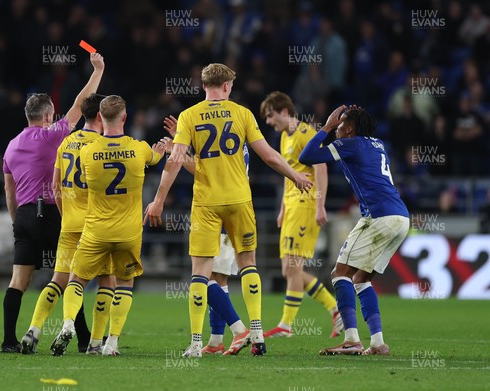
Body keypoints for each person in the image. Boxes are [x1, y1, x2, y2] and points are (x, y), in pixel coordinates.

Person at [144, 63, 313, 358]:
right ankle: (256, 333)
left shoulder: (190, 116)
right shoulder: (242, 114)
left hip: (207, 203)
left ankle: (197, 343)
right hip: (239, 200)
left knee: (201, 273)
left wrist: (159, 199)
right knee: (248, 265)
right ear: (226, 86)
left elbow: (175, 162)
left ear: (204, 86)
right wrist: (295, 175)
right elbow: (270, 156)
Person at [1, 53, 104, 353]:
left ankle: (9, 340)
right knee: (72, 275)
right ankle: (85, 340)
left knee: (19, 278)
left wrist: (15, 221)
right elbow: (81, 105)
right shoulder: (50, 136)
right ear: (47, 116)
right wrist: (97, 71)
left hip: (22, 216)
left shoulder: (11, 146)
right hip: (50, 214)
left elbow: (9, 192)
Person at [50, 95, 165, 356]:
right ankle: (109, 343)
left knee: (76, 281)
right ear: (124, 117)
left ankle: (68, 322)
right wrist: (164, 147)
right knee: (123, 284)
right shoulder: (139, 148)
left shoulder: (88, 151)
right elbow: (156, 157)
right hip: (128, 231)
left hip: (96, 229)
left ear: (100, 118)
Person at [299, 105, 410, 356]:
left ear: (349, 128)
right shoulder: (378, 144)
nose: (337, 127)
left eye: (340, 124)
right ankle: (378, 343)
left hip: (379, 216)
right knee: (361, 279)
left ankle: (351, 340)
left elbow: (306, 157)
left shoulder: (351, 144)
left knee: (340, 274)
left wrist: (325, 127)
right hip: (400, 217)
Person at [20, 93, 115, 354]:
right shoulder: (102, 144)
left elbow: (54, 186)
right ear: (100, 116)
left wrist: (65, 214)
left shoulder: (66, 142)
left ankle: (33, 329)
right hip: (96, 225)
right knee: (107, 280)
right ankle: (94, 343)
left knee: (58, 279)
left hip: (69, 223)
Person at [162, 116, 251, 356]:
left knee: (206, 277)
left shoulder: (219, 146)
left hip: (217, 215)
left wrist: (176, 149)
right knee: (219, 280)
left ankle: (240, 329)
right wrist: (182, 141)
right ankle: (215, 341)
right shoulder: (237, 142)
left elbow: (203, 172)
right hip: (233, 213)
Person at [259, 91, 343, 339]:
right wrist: (283, 208)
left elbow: (321, 167)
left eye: (270, 115)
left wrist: (320, 205)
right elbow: (289, 173)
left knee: (293, 267)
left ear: (284, 111)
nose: (268, 121)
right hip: (292, 206)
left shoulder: (305, 133)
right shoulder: (285, 137)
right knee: (289, 269)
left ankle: (286, 325)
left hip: (306, 204)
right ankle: (335, 310)